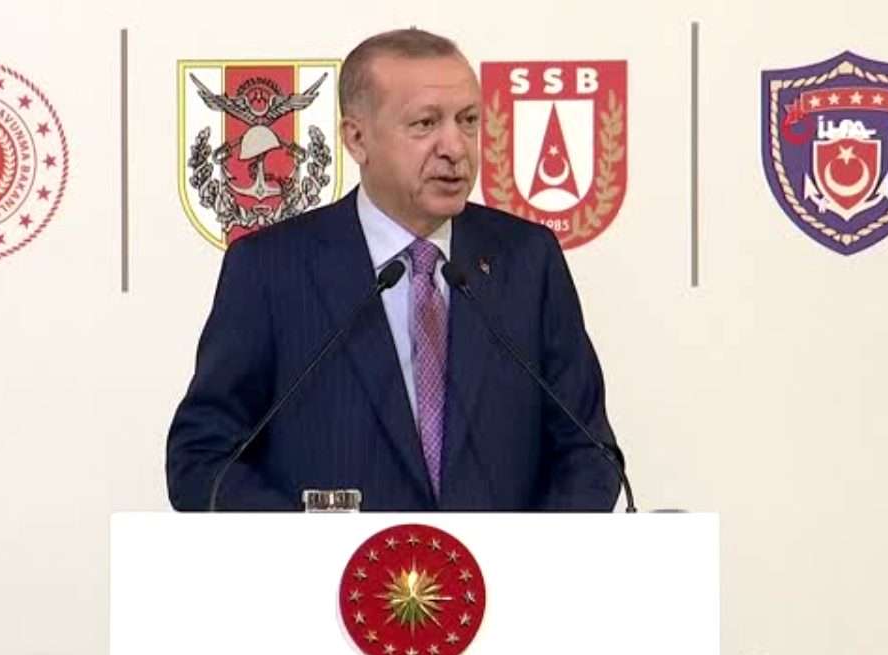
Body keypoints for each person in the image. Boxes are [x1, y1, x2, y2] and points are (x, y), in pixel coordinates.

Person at [167, 28, 623, 511]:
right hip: (329, 562)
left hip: (502, 563)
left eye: (468, 120)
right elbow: (201, 459)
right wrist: (305, 539)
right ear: (356, 138)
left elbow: (589, 452)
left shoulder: (527, 259)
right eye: (425, 123)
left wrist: (532, 548)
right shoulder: (272, 268)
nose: (455, 147)